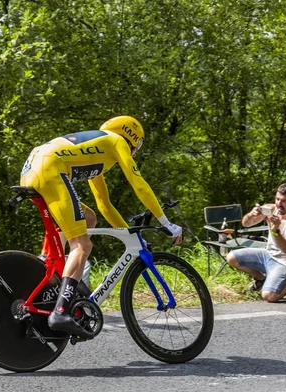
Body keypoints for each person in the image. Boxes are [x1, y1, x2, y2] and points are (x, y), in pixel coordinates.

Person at [20, 116, 183, 338]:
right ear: (132, 138)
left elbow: (104, 205)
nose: (135, 151)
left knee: (88, 219)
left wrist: (130, 235)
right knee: (82, 245)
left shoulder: (97, 149)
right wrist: (166, 222)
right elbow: (139, 185)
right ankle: (60, 311)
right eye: (138, 146)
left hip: (32, 170)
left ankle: (51, 269)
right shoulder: (117, 142)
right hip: (50, 170)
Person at [227, 182, 286, 302]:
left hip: (285, 263)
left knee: (269, 296)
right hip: (267, 255)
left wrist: (275, 230)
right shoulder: (271, 209)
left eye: (284, 201)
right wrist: (251, 214)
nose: (279, 204)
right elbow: (246, 224)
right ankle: (261, 279)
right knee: (231, 257)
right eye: (277, 199)